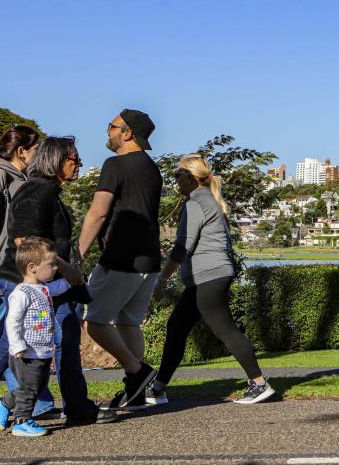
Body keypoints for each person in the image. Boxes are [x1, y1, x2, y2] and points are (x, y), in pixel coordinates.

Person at [0, 137, 115, 426]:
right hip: (25, 283)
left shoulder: (50, 192)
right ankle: (34, 406)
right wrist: (65, 267)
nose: (79, 164)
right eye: (73, 159)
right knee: (10, 345)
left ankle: (78, 408)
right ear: (55, 161)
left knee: (66, 337)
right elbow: (22, 238)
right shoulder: (37, 190)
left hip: (52, 284)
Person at [146, 155, 274, 405]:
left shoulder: (196, 203)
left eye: (178, 175)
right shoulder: (207, 200)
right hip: (207, 277)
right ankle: (158, 388)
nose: (175, 181)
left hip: (209, 275)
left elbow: (184, 247)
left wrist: (161, 279)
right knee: (177, 327)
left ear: (192, 177)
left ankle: (259, 384)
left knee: (225, 329)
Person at [78, 110, 162, 408]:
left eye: (111, 127)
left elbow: (99, 211)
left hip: (122, 257)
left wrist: (78, 253)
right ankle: (137, 392)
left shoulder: (115, 164)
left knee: (93, 321)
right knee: (129, 323)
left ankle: (137, 372)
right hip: (149, 259)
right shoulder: (151, 168)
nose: (107, 133)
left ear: (126, 133)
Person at [0, 125, 56, 417]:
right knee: (8, 341)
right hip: (6, 269)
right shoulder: (3, 176)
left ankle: (36, 403)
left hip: (13, 269)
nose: (41, 156)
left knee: (13, 340)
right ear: (22, 152)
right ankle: (31, 404)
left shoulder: (22, 180)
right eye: (37, 150)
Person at [0, 237, 82, 436]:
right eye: (51, 264)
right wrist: (18, 345)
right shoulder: (21, 293)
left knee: (35, 385)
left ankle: (4, 404)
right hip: (26, 352)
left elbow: (59, 287)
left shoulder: (43, 288)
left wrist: (72, 280)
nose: (55, 268)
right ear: (32, 267)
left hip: (42, 350)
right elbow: (12, 321)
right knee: (30, 388)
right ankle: (22, 421)